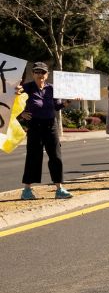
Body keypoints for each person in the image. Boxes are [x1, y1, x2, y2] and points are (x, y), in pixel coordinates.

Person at [17, 62, 71, 200]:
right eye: (37, 72)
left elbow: (56, 106)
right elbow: (11, 101)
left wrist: (66, 103)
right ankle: (27, 191)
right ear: (33, 74)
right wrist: (21, 113)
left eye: (43, 72)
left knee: (56, 156)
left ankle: (59, 189)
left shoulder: (52, 88)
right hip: (35, 126)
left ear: (47, 75)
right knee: (33, 157)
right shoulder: (26, 87)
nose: (40, 75)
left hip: (50, 125)